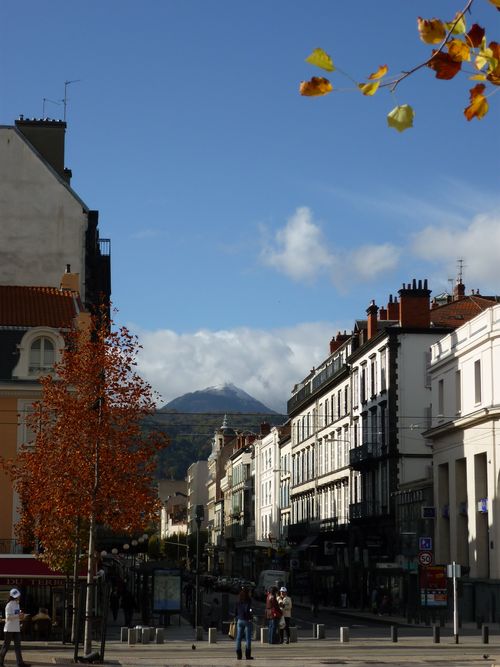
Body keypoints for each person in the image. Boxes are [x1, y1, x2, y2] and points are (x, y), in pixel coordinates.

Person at [0, 588, 30, 667]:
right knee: (6, 646)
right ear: (14, 596)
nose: (19, 597)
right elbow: (8, 618)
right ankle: (0, 663)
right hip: (9, 628)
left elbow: (16, 617)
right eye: (17, 596)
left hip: (16, 628)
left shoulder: (17, 604)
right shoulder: (9, 605)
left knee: (17, 646)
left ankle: (20, 663)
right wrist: (18, 616)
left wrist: (21, 616)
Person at [234, 587, 253, 660]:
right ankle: (248, 655)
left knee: (238, 638)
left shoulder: (238, 599)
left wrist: (236, 616)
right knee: (248, 639)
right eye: (250, 592)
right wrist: (250, 617)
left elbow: (235, 610)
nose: (250, 594)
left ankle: (239, 655)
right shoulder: (248, 600)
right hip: (246, 620)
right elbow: (248, 610)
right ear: (247, 593)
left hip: (239, 620)